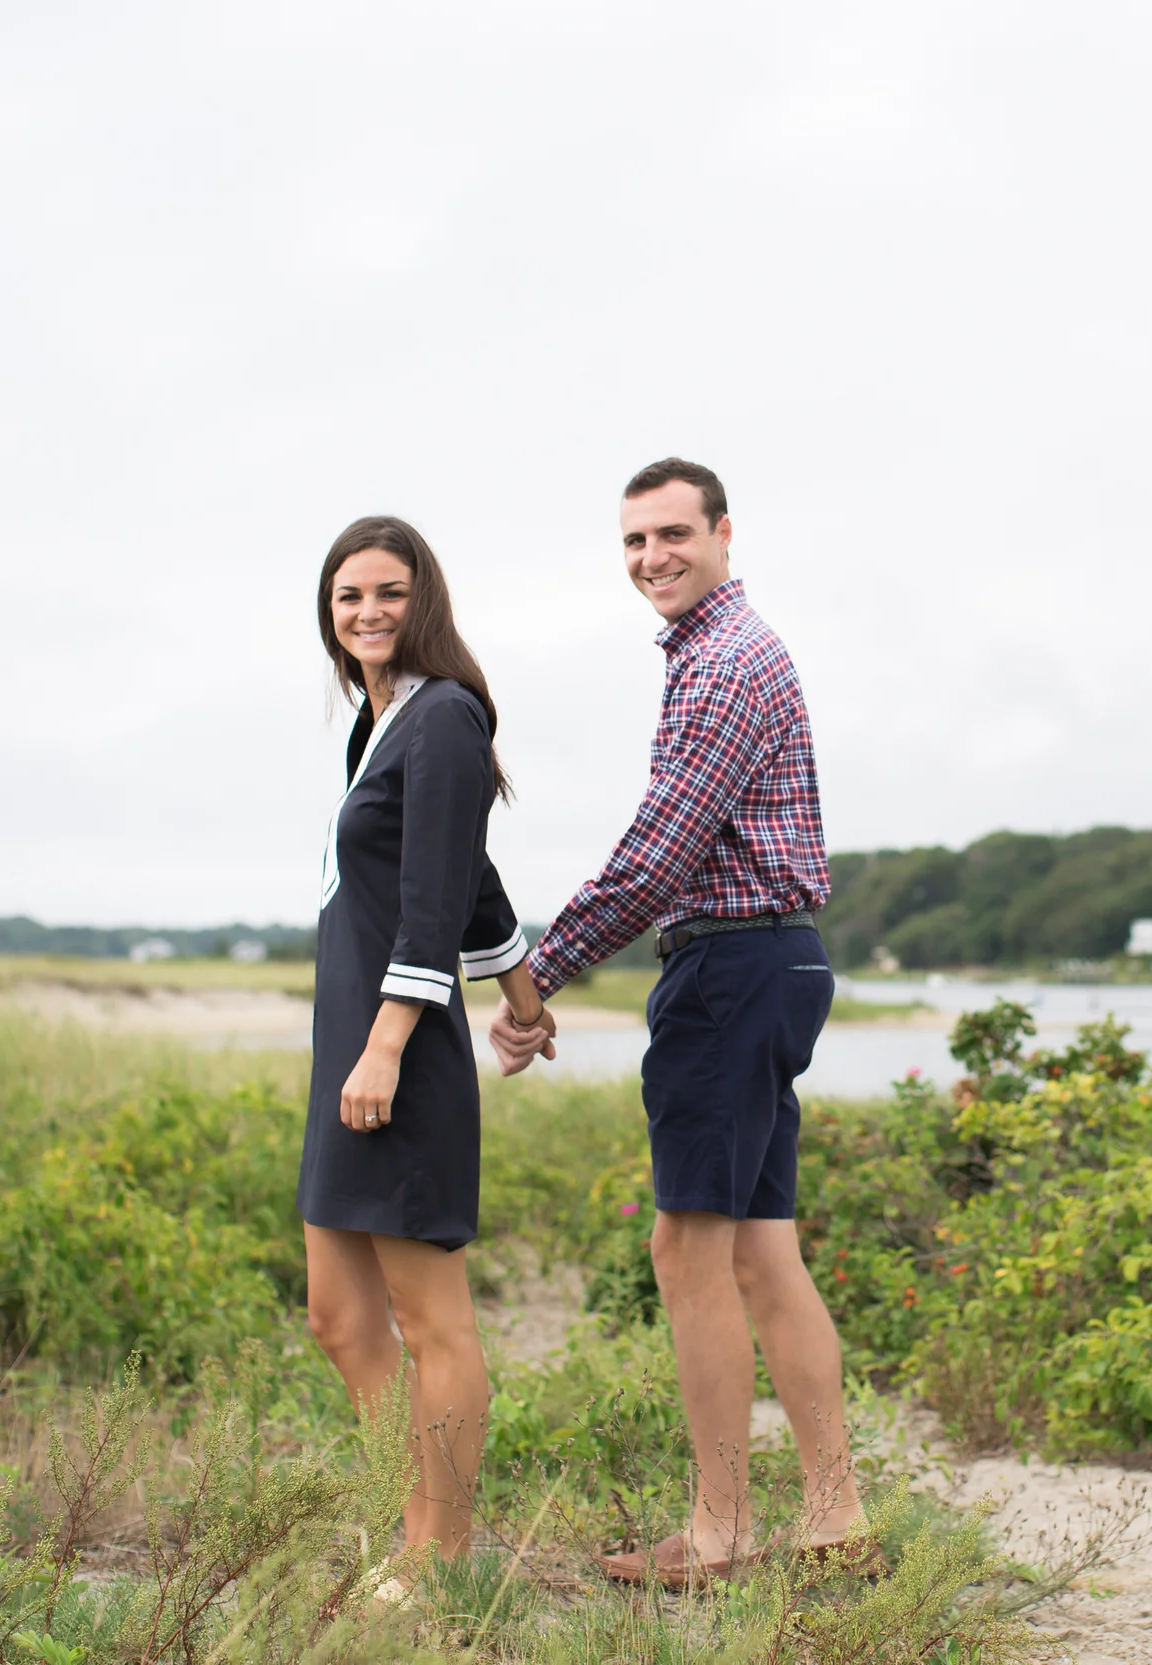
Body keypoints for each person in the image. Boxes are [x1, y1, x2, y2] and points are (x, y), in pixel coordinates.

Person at [490, 458, 867, 1589]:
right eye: (631, 542)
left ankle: (718, 1531)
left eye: (670, 534)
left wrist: (533, 976)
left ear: (722, 533)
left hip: (733, 971)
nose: (650, 557)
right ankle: (835, 1515)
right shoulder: (728, 653)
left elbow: (659, 856)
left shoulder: (723, 665)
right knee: (760, 1250)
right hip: (774, 961)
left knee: (686, 1248)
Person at [299, 514, 552, 1566]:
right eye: (349, 596)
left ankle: (434, 1558)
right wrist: (527, 1002)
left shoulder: (444, 714)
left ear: (425, 602)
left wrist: (390, 1041)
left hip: (391, 1060)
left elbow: (436, 896)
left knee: (429, 1321)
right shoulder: (381, 723)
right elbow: (475, 889)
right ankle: (392, 1519)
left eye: (389, 594)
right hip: (352, 1054)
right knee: (337, 1318)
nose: (368, 613)